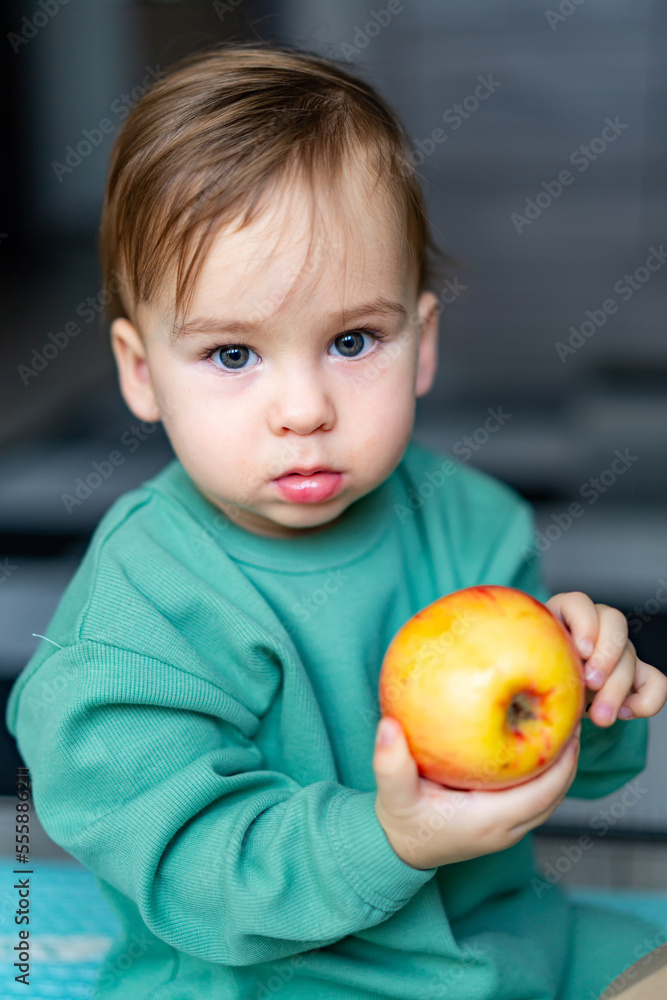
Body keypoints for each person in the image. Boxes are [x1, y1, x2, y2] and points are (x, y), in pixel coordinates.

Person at [6, 40, 667, 1000]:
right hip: (270, 978)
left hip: (496, 944)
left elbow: (551, 759)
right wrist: (387, 838)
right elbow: (191, 876)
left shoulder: (470, 523)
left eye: (352, 341)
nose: (304, 409)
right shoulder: (138, 613)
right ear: (140, 373)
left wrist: (597, 699)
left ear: (422, 343)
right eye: (233, 355)